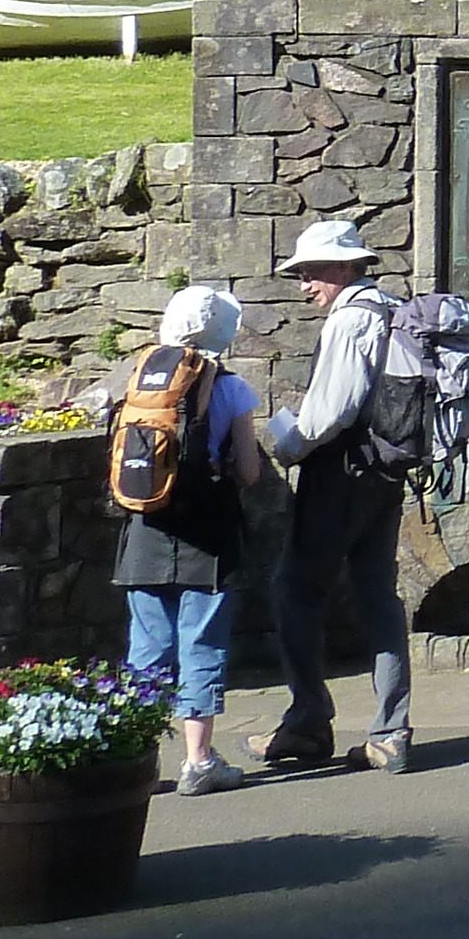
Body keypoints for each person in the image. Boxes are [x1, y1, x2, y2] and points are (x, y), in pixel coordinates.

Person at [257, 217, 413, 775]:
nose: (304, 284)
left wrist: (288, 447)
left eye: (311, 272)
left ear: (344, 267)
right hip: (385, 472)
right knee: (377, 596)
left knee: (295, 589)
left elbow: (332, 410)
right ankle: (390, 733)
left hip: (340, 474)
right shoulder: (391, 309)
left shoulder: (349, 320)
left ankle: (307, 720)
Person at [117, 286, 273, 798]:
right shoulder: (231, 388)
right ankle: (199, 761)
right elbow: (249, 472)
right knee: (201, 644)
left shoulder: (137, 376)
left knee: (147, 648)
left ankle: (133, 759)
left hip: (145, 530)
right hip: (208, 534)